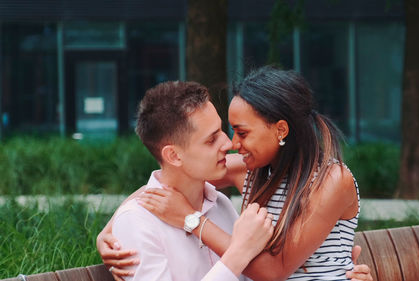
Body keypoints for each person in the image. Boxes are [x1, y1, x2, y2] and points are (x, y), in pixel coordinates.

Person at [98, 66, 373, 281]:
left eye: (242, 132)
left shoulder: (330, 180)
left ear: (280, 130)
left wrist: (191, 220)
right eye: (225, 133)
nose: (232, 144)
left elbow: (274, 271)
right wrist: (113, 228)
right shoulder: (250, 169)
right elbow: (169, 177)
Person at [107, 80, 274, 281]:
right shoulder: (137, 221)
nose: (228, 143)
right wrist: (239, 253)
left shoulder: (221, 204)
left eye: (221, 131)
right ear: (174, 156)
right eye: (211, 140)